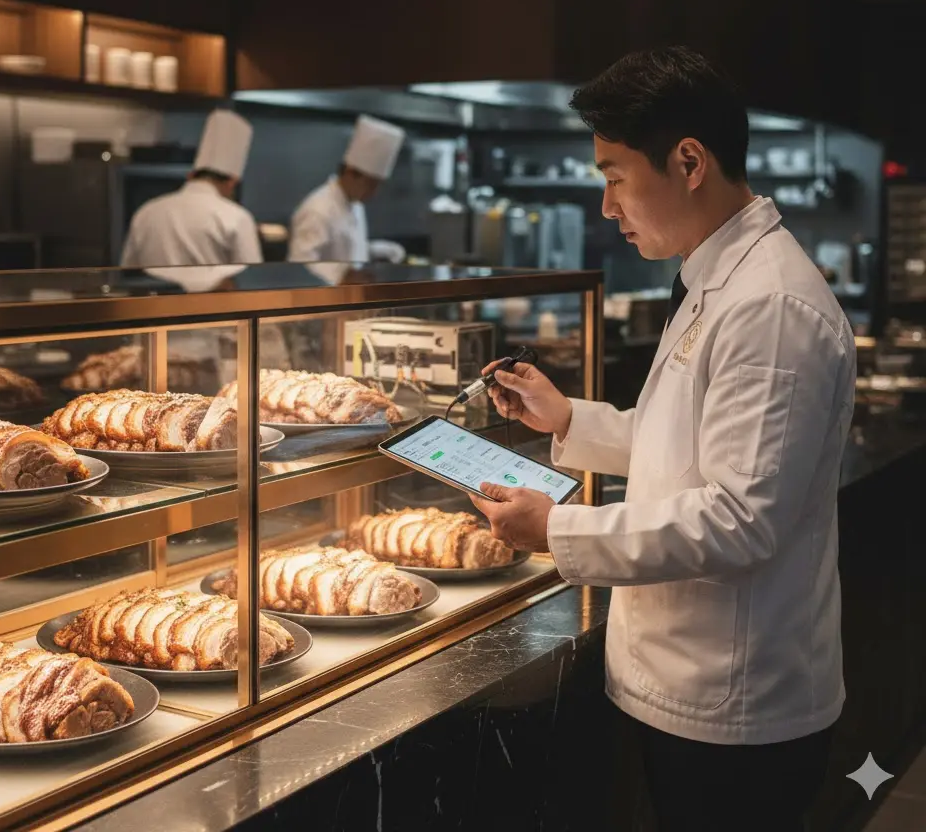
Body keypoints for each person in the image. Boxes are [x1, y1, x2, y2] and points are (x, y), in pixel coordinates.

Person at [472, 47, 855, 832]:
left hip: (732, 708)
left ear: (688, 161)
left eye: (614, 176)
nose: (608, 206)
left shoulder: (770, 304)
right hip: (685, 686)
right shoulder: (714, 275)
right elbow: (685, 443)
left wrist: (557, 529)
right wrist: (570, 419)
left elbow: (739, 516)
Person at [120, 109, 262, 268]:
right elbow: (250, 278)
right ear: (232, 182)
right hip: (216, 294)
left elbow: (128, 270)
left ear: (190, 175)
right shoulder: (236, 217)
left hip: (154, 293)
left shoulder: (146, 212)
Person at [288, 115, 406, 264]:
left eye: (378, 186)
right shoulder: (318, 211)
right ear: (350, 173)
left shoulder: (355, 204)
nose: (374, 193)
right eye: (370, 184)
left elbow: (344, 251)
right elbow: (300, 267)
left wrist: (371, 250)